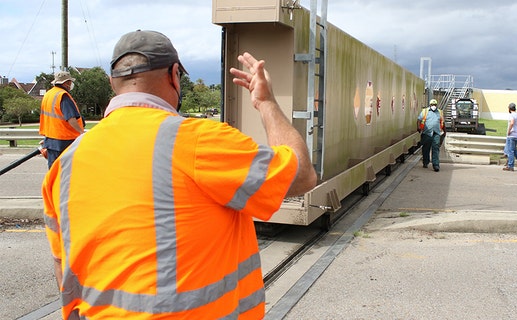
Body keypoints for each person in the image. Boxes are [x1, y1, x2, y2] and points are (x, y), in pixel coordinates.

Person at [41, 30, 317, 319]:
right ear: (174, 75)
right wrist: (266, 103)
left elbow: (64, 270)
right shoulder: (198, 141)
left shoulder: (65, 165)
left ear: (112, 83)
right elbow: (301, 175)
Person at [39, 71, 85, 168]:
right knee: (67, 171)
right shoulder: (63, 96)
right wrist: (82, 132)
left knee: (54, 170)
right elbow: (71, 119)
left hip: (51, 139)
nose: (70, 85)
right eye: (70, 82)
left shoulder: (48, 94)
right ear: (66, 83)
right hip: (65, 140)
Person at [417, 98, 444, 172]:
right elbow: (419, 120)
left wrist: (444, 132)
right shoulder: (425, 111)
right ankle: (425, 162)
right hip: (427, 133)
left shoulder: (440, 112)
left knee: (436, 148)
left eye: (435, 105)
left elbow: (442, 122)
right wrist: (418, 127)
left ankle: (436, 165)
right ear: (430, 105)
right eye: (432, 105)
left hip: (436, 133)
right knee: (426, 148)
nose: (433, 106)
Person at [503, 103, 517, 171]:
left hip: (512, 135)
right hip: (516, 135)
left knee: (510, 151)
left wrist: (509, 130)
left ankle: (510, 166)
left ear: (509, 109)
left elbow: (512, 123)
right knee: (514, 150)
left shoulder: (511, 115)